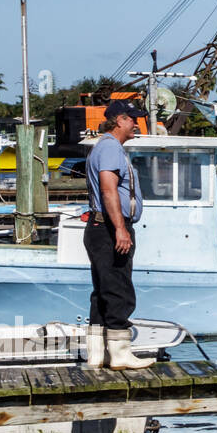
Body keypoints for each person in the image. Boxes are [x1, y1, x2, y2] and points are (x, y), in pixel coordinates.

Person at [84, 99, 154, 370]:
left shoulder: (105, 147)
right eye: (132, 119)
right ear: (119, 121)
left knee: (103, 289)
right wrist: (121, 229)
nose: (136, 124)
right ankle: (121, 353)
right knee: (118, 289)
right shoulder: (111, 148)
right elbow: (108, 189)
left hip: (101, 227)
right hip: (110, 228)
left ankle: (97, 354)